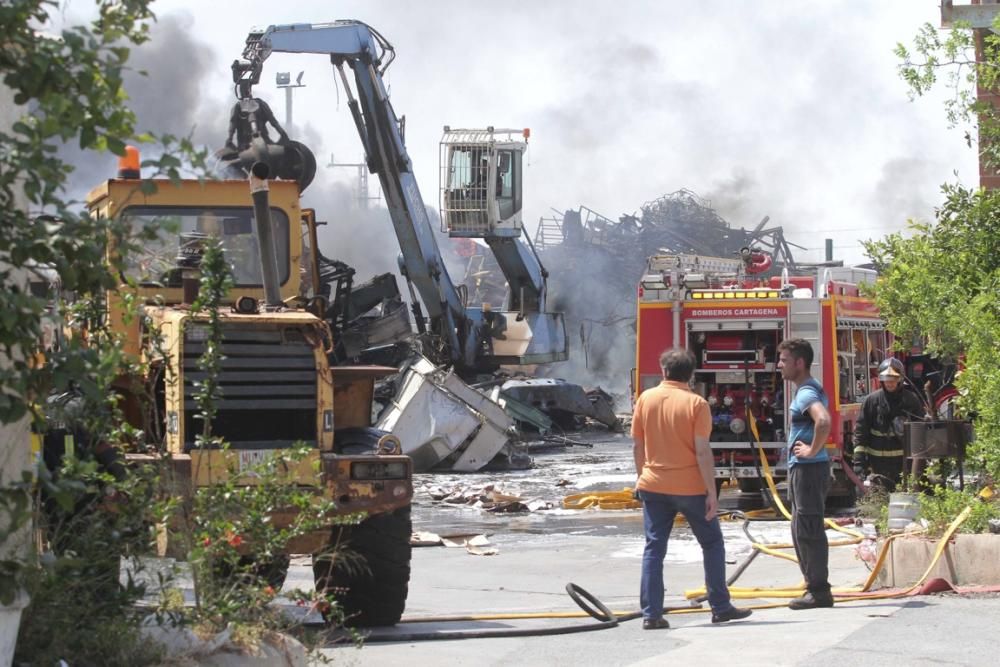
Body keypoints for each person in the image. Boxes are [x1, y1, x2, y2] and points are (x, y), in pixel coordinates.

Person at [631, 348, 752, 629]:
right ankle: (720, 607)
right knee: (711, 544)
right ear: (692, 375)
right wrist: (712, 491)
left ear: (663, 371)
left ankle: (651, 614)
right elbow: (702, 451)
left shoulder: (645, 400)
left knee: (654, 549)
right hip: (690, 488)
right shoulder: (697, 404)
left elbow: (637, 445)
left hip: (653, 484)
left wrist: (641, 479)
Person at [777, 338, 834, 610]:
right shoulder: (805, 390)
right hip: (804, 469)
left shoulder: (806, 393)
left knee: (808, 528)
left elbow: (823, 420)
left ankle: (819, 591)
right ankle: (813, 586)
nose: (780, 365)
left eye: (784, 360)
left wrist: (811, 450)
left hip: (809, 470)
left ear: (800, 363)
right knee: (801, 526)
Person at [852, 357, 926, 491]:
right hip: (877, 466)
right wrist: (859, 463)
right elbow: (861, 433)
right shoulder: (871, 401)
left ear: (900, 380)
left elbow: (920, 433)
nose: (890, 383)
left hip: (904, 466)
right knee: (880, 503)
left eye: (893, 380)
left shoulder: (911, 401)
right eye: (887, 380)